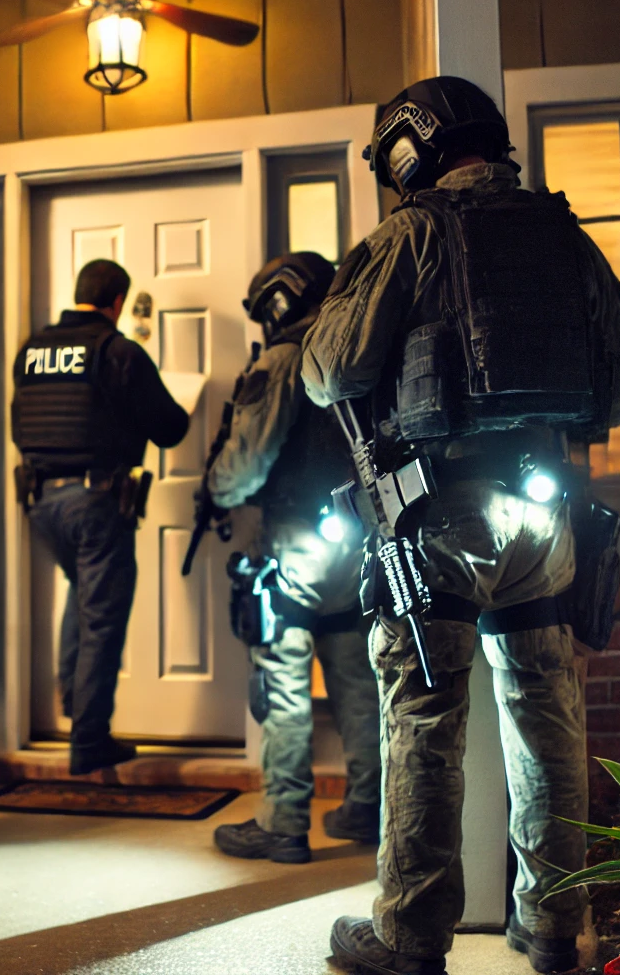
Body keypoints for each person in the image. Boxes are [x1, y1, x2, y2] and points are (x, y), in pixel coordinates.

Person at [303, 77, 620, 975]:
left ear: (413, 147)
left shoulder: (410, 235)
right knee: (546, 715)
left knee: (425, 713)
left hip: (436, 513)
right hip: (543, 513)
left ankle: (409, 937)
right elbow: (617, 387)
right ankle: (555, 929)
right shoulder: (566, 236)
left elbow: (332, 372)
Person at [203, 253, 383, 866]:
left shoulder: (282, 359)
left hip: (295, 539)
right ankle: (367, 807)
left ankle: (283, 821)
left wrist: (215, 491)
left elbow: (243, 464)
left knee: (281, 677)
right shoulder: (361, 347)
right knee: (358, 677)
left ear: (277, 303)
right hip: (359, 534)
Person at [11, 259, 190, 775]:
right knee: (102, 618)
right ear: (116, 302)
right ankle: (89, 741)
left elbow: (20, 422)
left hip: (41, 502)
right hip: (95, 502)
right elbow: (170, 428)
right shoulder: (117, 352)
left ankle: (73, 704)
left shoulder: (33, 350)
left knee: (83, 596)